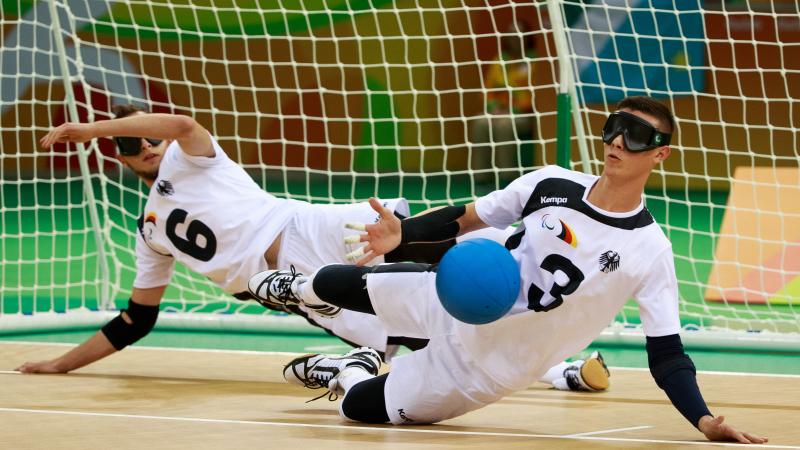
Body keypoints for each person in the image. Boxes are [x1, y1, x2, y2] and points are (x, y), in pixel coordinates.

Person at [249, 96, 767, 444]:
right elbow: (468, 216)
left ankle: (349, 370)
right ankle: (294, 287)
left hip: (484, 368)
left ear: (660, 155)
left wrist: (703, 421)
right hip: (459, 295)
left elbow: (667, 355)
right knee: (342, 281)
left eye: (635, 136)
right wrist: (403, 235)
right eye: (613, 128)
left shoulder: (650, 250)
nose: (616, 142)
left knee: (356, 411)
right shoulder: (551, 183)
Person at [17, 105, 609, 394]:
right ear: (119, 158)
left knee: (427, 235)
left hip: (307, 226)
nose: (144, 144)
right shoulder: (149, 231)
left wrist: (86, 130)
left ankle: (547, 262)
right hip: (287, 287)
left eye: (144, 134)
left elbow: (180, 122)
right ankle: (558, 372)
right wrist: (57, 364)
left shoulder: (189, 153)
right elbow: (136, 319)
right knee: (417, 331)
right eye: (128, 142)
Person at [470, 19, 537, 184]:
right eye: (512, 35)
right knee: (480, 122)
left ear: (527, 37)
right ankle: (481, 177)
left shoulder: (536, 62)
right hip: (498, 111)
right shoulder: (500, 60)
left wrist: (511, 110)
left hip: (524, 115)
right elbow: (488, 90)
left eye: (519, 35)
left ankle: (507, 179)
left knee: (505, 125)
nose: (515, 39)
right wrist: (493, 108)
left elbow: (536, 95)